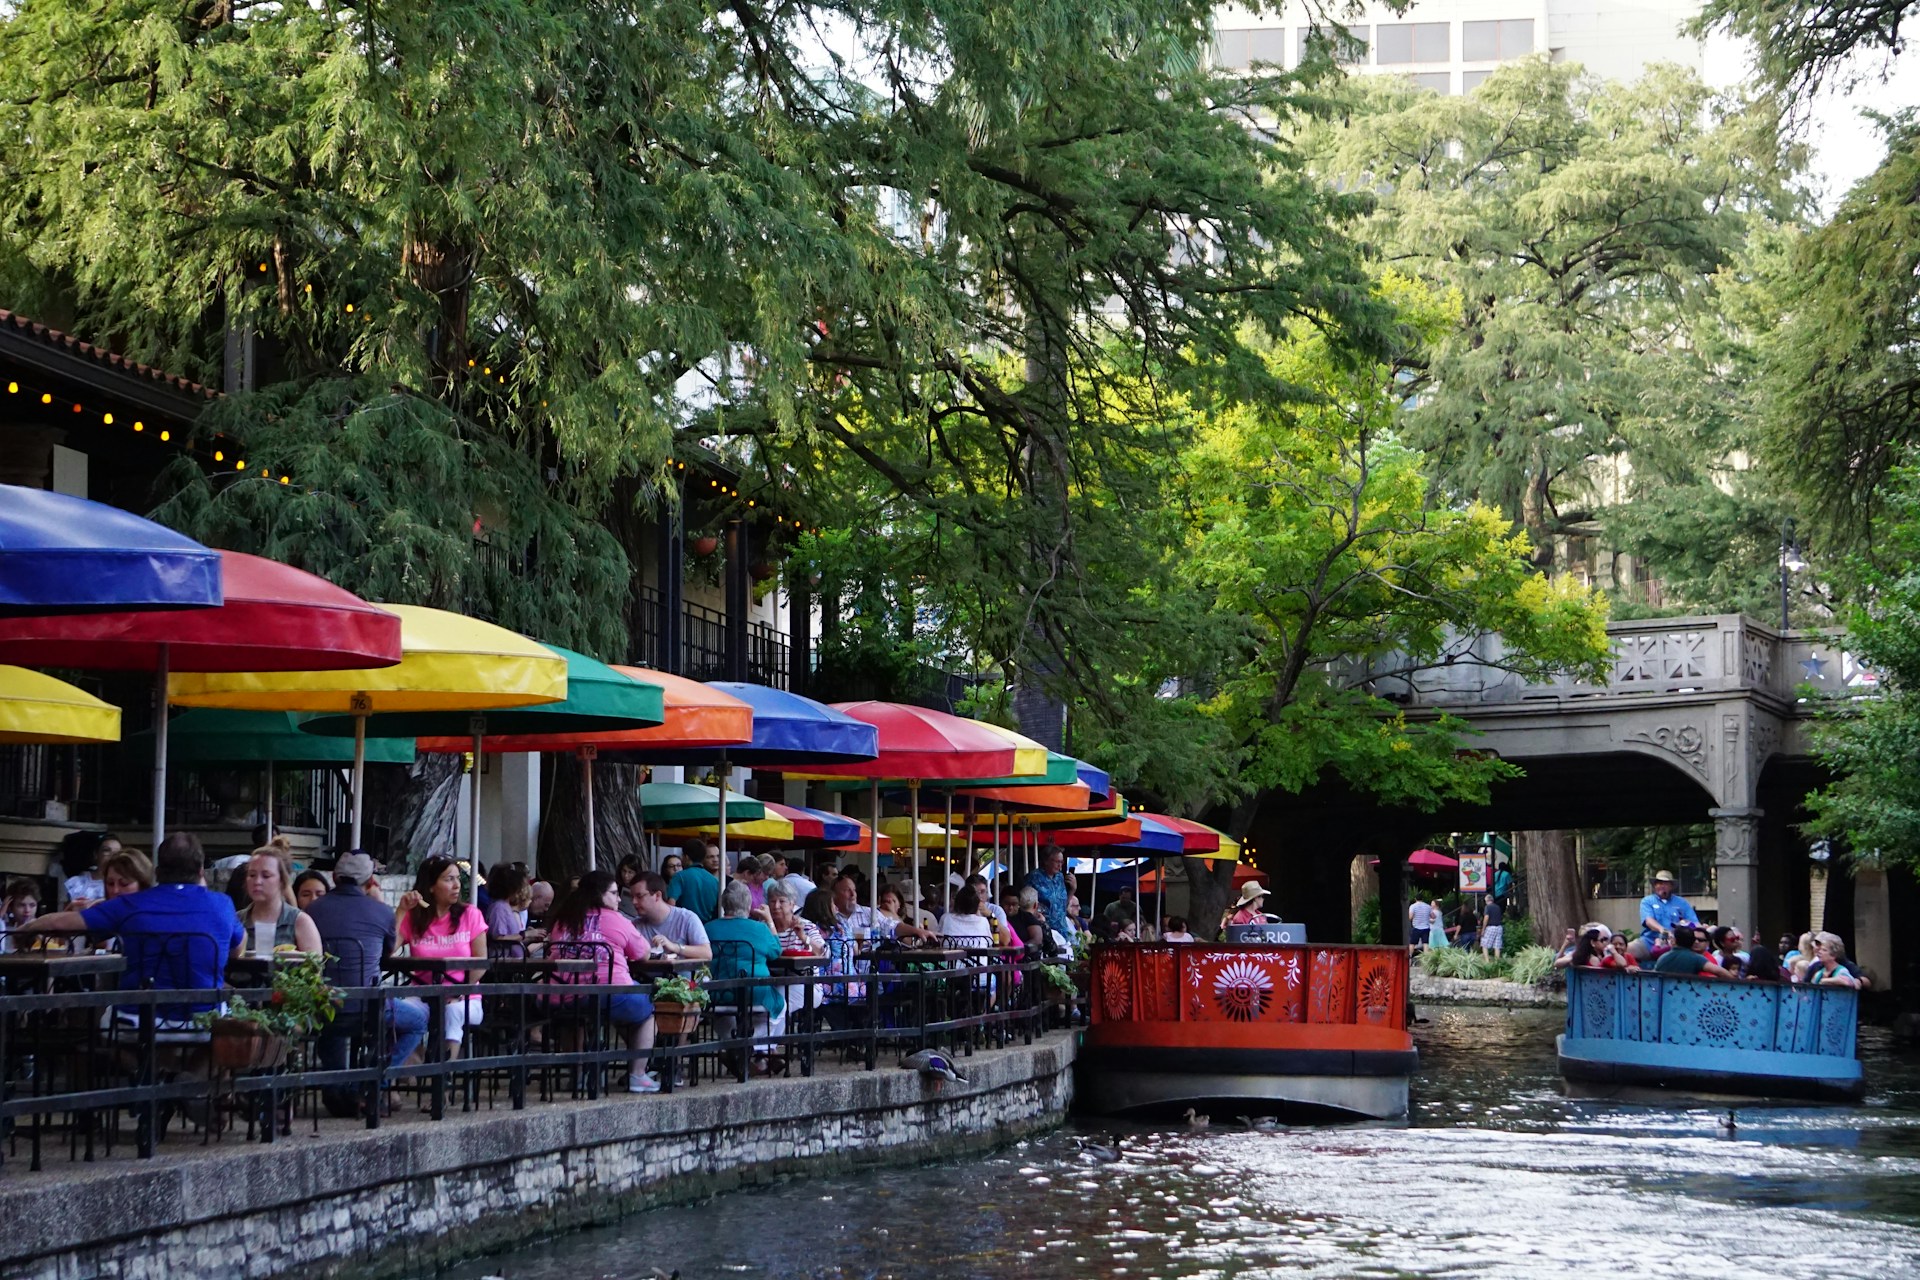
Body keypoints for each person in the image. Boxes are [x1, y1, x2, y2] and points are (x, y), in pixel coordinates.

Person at [23, 832, 244, 1018]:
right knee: (225, 1038)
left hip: (136, 1019)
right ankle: (194, 1070)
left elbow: (59, 922)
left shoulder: (130, 905)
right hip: (204, 1019)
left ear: (158, 871)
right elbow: (238, 948)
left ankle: (145, 1069)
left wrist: (24, 930)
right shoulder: (222, 905)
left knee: (103, 1028)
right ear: (200, 871)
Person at [305, 851, 427, 1113]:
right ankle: (373, 1081)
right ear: (371, 880)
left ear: (335, 877)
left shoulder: (312, 910)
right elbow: (387, 952)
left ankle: (336, 1090)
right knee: (418, 1021)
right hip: (369, 1008)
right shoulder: (381, 912)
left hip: (323, 1005)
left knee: (332, 1024)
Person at [546, 870, 660, 1093]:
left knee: (573, 1017)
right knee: (649, 1011)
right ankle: (637, 1074)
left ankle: (578, 1074)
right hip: (611, 993)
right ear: (599, 894)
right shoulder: (616, 919)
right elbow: (644, 953)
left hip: (563, 994)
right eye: (614, 893)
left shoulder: (563, 919)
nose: (618, 899)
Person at [395, 856, 489, 1058]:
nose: (456, 885)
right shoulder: (415, 917)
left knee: (452, 1013)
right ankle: (413, 1073)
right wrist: (402, 911)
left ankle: (445, 1077)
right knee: (399, 1014)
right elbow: (388, 949)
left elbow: (481, 962)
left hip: (464, 996)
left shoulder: (470, 914)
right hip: (422, 994)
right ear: (430, 886)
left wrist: (457, 992)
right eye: (448, 879)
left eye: (458, 878)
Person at [706, 880, 785, 1071]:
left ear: (724, 904)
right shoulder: (759, 929)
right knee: (780, 1004)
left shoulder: (708, 928)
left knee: (722, 1012)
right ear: (749, 906)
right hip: (755, 991)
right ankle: (753, 1044)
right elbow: (776, 951)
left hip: (718, 993)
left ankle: (734, 1045)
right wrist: (770, 922)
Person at [238, 846, 323, 953]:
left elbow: (315, 966)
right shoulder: (235, 921)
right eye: (252, 875)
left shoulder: (300, 921)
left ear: (282, 881)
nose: (257, 881)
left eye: (266, 875)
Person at [629, 870, 713, 961]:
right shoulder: (635, 925)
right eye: (632, 897)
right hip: (647, 974)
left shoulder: (687, 918)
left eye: (639, 896)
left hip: (685, 975)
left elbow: (707, 953)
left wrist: (674, 947)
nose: (634, 902)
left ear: (657, 895)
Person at [1631, 870, 1700, 960]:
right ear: (1655, 886)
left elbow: (1694, 923)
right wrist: (1662, 930)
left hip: (1676, 943)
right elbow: (1648, 921)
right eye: (1659, 883)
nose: (1662, 886)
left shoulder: (1682, 902)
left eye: (1666, 884)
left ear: (1671, 886)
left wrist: (1704, 929)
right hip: (1650, 940)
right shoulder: (1647, 901)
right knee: (1629, 949)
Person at [59, 831, 121, 910]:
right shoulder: (79, 882)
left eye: (117, 853)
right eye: (107, 850)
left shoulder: (123, 883)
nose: (112, 856)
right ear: (96, 854)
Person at [664, 837, 721, 922]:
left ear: (686, 857)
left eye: (682, 855)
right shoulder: (715, 881)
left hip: (685, 926)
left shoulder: (680, 876)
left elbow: (671, 904)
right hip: (707, 927)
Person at [484, 864, 533, 956]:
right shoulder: (499, 907)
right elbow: (498, 938)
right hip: (503, 962)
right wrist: (525, 934)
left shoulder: (505, 906)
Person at [1022, 848, 1070, 940]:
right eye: (1057, 861)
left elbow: (1062, 904)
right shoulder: (1034, 877)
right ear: (1046, 861)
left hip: (1062, 928)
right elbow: (1026, 902)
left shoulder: (1059, 877)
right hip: (1044, 928)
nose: (1060, 865)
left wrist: (1072, 890)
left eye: (1061, 862)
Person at [1652, 925, 1732, 978]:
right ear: (1692, 941)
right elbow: (1720, 971)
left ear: (1674, 941)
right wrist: (1737, 984)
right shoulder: (1696, 958)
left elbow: (1652, 976)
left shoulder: (1663, 958)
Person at [0, 879, 39, 953]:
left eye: (32, 905)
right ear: (10, 907)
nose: (27, 910)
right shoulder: (5, 931)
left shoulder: (44, 928)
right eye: (21, 905)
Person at [1480, 895, 1505, 959]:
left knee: (1484, 944)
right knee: (1497, 946)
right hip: (1499, 927)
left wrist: (1483, 929)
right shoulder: (1498, 907)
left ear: (1486, 901)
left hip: (1491, 927)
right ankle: (1496, 962)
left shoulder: (1487, 907)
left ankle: (1487, 961)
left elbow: (1486, 917)